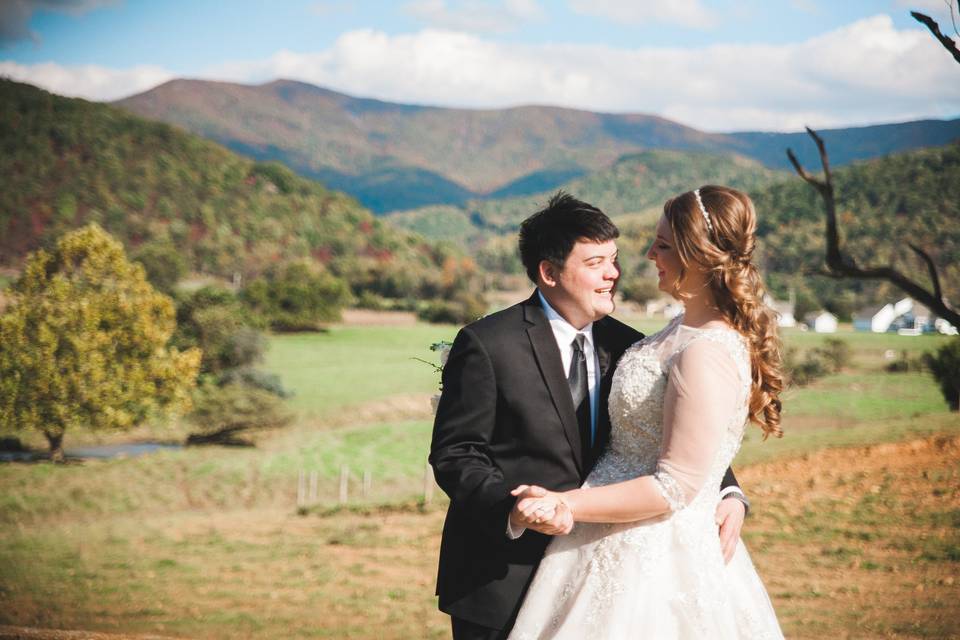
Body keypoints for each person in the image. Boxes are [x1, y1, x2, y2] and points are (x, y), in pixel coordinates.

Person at [429, 192, 751, 640]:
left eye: (614, 260)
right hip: (503, 576)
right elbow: (456, 453)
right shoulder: (488, 344)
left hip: (609, 571)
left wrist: (730, 491)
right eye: (596, 262)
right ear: (549, 273)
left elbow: (678, 430)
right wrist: (515, 510)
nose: (614, 274)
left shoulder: (632, 345)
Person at [505, 185, 785, 639]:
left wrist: (566, 503)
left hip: (653, 556)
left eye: (664, 244)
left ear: (697, 257)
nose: (650, 253)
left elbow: (676, 483)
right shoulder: (678, 330)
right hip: (600, 543)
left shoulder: (705, 351)